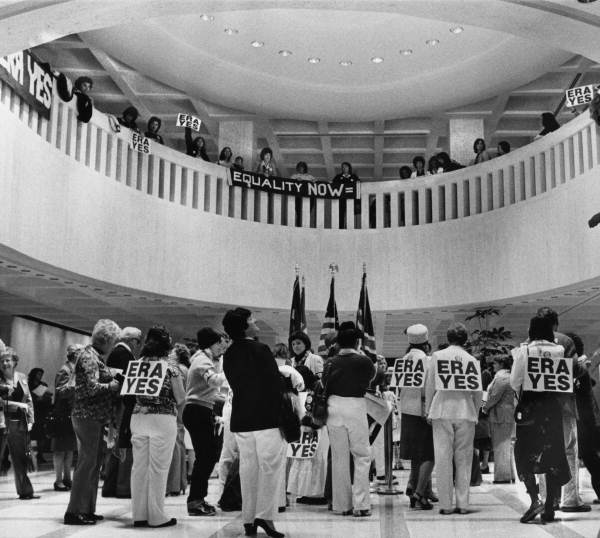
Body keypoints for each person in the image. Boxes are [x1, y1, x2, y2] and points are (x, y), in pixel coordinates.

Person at [222, 307, 286, 538]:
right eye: (251, 319)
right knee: (269, 468)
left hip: (242, 418)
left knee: (248, 470)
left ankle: (248, 518)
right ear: (245, 325)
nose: (255, 321)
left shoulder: (228, 354)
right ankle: (265, 516)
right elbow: (274, 384)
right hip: (266, 417)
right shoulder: (260, 349)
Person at [510, 316, 570, 523]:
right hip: (552, 409)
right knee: (553, 454)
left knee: (524, 453)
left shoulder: (524, 351)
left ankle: (535, 499)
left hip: (530, 410)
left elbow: (514, 381)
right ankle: (551, 505)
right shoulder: (559, 350)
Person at [64, 319, 122, 526]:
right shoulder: (89, 357)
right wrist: (113, 386)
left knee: (94, 464)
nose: (114, 345)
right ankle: (74, 511)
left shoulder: (93, 356)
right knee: (86, 463)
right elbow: (90, 388)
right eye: (114, 340)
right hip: (87, 416)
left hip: (93, 417)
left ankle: (87, 509)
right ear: (106, 339)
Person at [425, 323, 483, 515]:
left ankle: (445, 505)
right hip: (465, 410)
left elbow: (430, 385)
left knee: (442, 457)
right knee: (464, 459)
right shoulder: (472, 360)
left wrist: (427, 410)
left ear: (448, 338)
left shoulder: (437, 356)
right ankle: (463, 504)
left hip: (442, 408)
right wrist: (475, 412)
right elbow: (477, 391)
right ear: (465, 340)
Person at [130, 326, 185, 528]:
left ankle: (139, 515)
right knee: (158, 469)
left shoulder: (136, 364)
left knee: (139, 469)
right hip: (162, 419)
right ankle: (157, 515)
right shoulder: (170, 367)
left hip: (138, 417)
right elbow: (180, 398)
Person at [536, 307, 589, 512]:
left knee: (541, 452)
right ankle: (570, 500)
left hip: (537, 408)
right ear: (555, 324)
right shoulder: (566, 342)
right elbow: (575, 370)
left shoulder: (528, 344)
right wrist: (583, 364)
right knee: (568, 450)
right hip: (563, 405)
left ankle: (546, 498)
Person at [323, 322, 375, 517]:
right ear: (357, 342)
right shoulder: (364, 361)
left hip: (334, 407)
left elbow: (324, 382)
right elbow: (370, 379)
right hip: (355, 405)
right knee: (362, 455)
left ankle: (342, 504)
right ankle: (361, 504)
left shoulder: (330, 362)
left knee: (339, 457)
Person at [183, 327, 227, 516]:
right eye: (219, 343)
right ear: (212, 343)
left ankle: (198, 498)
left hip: (201, 409)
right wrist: (232, 370)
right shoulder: (202, 360)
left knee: (207, 456)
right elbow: (214, 381)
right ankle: (195, 501)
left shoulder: (204, 359)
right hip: (197, 411)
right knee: (206, 457)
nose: (221, 346)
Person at [102, 326, 142, 499]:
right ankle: (120, 486)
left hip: (118, 403)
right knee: (122, 444)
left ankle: (113, 485)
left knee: (118, 444)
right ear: (131, 340)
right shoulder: (122, 355)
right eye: (138, 341)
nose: (138, 345)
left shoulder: (119, 353)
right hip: (122, 404)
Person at [399, 324, 435, 510]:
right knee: (429, 453)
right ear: (426, 343)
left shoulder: (404, 359)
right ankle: (420, 494)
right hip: (423, 410)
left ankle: (413, 484)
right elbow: (426, 388)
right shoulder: (427, 360)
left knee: (415, 454)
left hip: (406, 410)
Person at [0, 348, 36, 499]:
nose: (5, 363)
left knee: (20, 457)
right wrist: (18, 406)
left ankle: (25, 491)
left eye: (8, 360)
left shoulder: (21, 377)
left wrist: (31, 419)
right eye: (2, 361)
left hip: (19, 422)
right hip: (2, 422)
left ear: (14, 361)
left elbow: (28, 400)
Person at [52, 344, 83, 492]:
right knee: (60, 449)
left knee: (69, 449)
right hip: (62, 415)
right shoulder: (65, 370)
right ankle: (58, 480)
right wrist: (74, 386)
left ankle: (67, 478)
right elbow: (60, 392)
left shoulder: (74, 370)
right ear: (74, 355)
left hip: (71, 413)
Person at [483, 354, 515, 483]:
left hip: (500, 415)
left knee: (500, 446)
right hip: (507, 414)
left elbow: (494, 396)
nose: (493, 366)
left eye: (495, 363)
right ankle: (509, 474)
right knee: (506, 446)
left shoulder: (501, 377)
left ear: (501, 364)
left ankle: (502, 476)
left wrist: (485, 407)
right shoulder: (509, 376)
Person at [166, 343, 191, 497]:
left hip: (176, 406)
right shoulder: (185, 369)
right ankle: (180, 482)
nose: (170, 354)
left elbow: (178, 393)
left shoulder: (177, 369)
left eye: (173, 352)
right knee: (179, 443)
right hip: (183, 407)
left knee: (174, 444)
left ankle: (173, 484)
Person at [27, 367, 52, 463]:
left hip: (41, 412)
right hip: (31, 412)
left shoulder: (43, 385)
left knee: (41, 435)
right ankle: (28, 455)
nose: (40, 376)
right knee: (29, 434)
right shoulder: (28, 385)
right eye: (38, 374)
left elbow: (48, 398)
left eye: (41, 374)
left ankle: (40, 455)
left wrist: (43, 398)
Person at [332, 162, 359, 229]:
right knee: (340, 214)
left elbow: (358, 187)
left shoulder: (354, 177)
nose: (344, 168)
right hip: (341, 199)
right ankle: (340, 228)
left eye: (346, 167)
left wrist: (357, 202)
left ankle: (349, 228)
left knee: (350, 214)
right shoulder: (338, 177)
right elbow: (333, 185)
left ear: (349, 167)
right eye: (343, 167)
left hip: (350, 199)